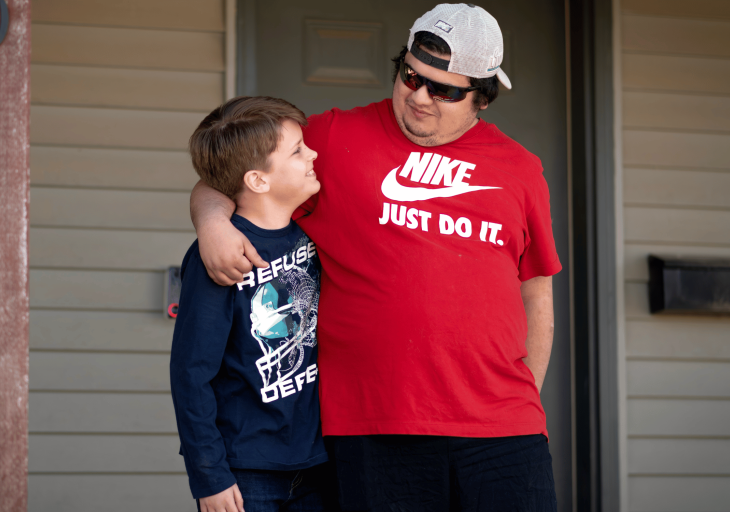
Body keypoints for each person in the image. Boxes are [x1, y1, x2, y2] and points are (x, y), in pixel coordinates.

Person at [189, 4, 561, 511]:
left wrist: (525, 401)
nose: (419, 96)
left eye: (444, 89)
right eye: (410, 76)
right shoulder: (330, 140)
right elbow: (226, 178)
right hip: (373, 426)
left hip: (503, 429)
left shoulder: (521, 169)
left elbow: (536, 292)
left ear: (483, 97)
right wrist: (211, 223)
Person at [170, 96, 337, 512]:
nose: (313, 153)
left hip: (320, 462)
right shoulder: (222, 255)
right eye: (298, 150)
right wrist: (208, 475)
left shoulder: (316, 234)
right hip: (246, 469)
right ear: (258, 180)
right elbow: (191, 372)